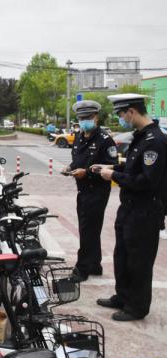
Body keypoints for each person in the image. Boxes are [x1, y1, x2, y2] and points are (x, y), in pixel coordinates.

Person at [94, 93, 167, 321]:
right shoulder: (141, 137)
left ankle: (137, 307)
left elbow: (145, 181)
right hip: (129, 209)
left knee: (139, 261)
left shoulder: (155, 141)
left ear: (132, 112)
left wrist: (113, 175)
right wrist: (109, 167)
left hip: (145, 212)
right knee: (123, 256)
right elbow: (133, 168)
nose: (120, 119)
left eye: (121, 114)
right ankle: (123, 296)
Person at [62, 100, 118, 282]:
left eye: (88, 117)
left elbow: (112, 167)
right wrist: (69, 167)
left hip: (97, 190)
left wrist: (86, 173)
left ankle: (82, 268)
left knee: (88, 229)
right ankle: (95, 264)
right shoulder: (79, 136)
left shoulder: (104, 140)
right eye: (81, 118)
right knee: (90, 229)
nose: (85, 121)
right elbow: (77, 159)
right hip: (83, 190)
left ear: (96, 118)